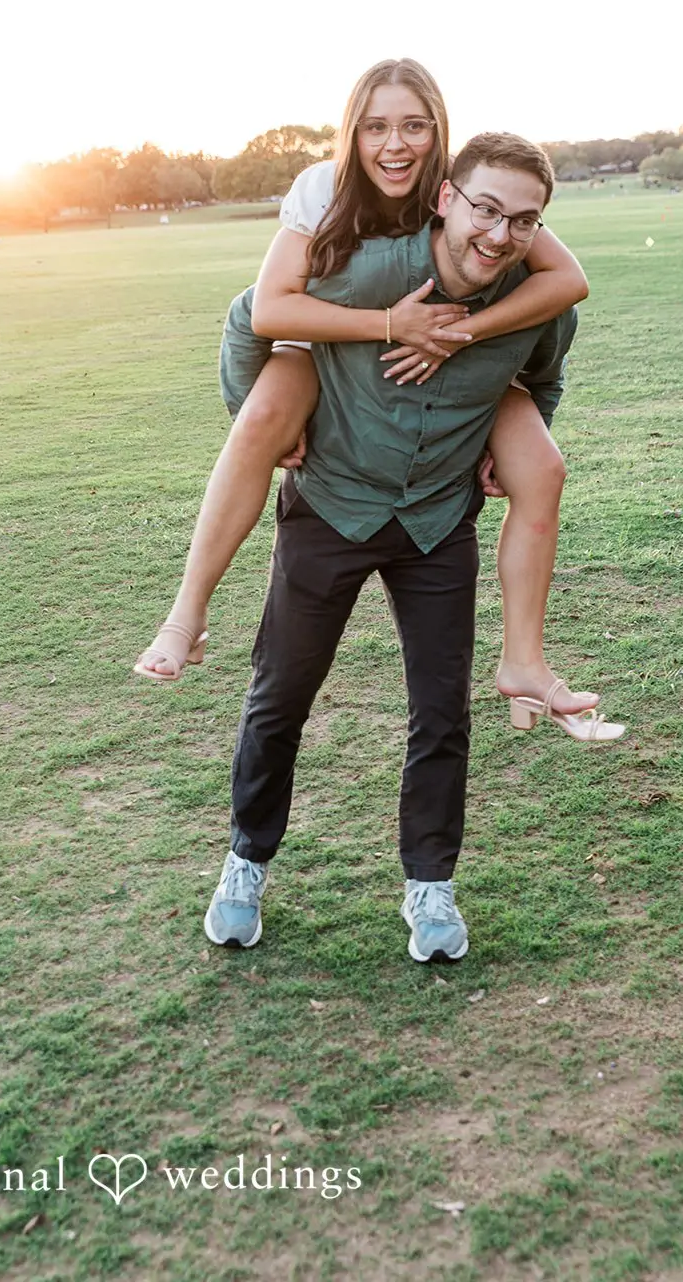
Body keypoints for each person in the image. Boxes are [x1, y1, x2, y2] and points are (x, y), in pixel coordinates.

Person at [201, 132, 623, 964]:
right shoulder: (372, 274)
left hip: (436, 525)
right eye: (485, 210)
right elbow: (251, 315)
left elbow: (544, 377)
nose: (498, 235)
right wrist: (262, 415)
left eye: (522, 220)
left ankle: (430, 888)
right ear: (447, 199)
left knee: (441, 714)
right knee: (279, 698)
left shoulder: (541, 303)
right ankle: (245, 863)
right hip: (331, 509)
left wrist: (508, 445)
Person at [135, 59, 602, 719]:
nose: (395, 144)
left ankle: (524, 659)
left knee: (543, 465)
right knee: (266, 413)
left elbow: (566, 287)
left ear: (438, 132)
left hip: (444, 356)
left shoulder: (471, 198)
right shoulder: (324, 192)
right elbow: (263, 310)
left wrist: (458, 334)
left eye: (414, 125)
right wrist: (388, 325)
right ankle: (187, 614)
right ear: (351, 133)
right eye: (376, 127)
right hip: (323, 339)